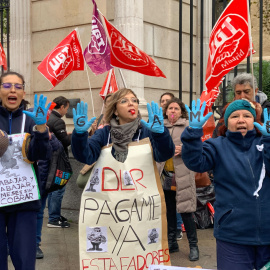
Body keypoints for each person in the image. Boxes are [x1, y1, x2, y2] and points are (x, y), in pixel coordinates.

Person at [181, 98, 270, 270]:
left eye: (247, 116)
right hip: (232, 235)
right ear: (226, 123)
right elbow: (195, 162)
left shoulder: (264, 143)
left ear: (255, 121)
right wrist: (192, 133)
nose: (241, 120)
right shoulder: (217, 145)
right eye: (234, 116)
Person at [0, 71, 52, 270]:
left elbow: (43, 154)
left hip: (23, 200)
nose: (12, 90)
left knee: (24, 259)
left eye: (18, 86)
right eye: (7, 86)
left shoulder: (31, 120)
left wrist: (40, 129)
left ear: (23, 93)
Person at [156, 98, 199, 260]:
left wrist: (186, 149)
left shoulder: (188, 127)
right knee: (169, 211)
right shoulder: (159, 127)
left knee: (186, 211)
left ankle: (194, 246)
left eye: (176, 108)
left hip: (182, 175)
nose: (173, 111)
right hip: (164, 175)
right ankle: (172, 243)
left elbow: (198, 146)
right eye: (170, 108)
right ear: (166, 111)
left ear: (181, 112)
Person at [213, 73, 270, 138]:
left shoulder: (267, 108)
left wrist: (260, 116)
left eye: (246, 92)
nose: (242, 96)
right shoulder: (229, 110)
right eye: (238, 93)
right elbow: (217, 134)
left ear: (255, 91)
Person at [36, 133, 62, 259]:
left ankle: (35, 245)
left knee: (39, 214)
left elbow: (58, 147)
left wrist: (49, 136)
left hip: (41, 182)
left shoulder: (45, 131)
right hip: (20, 184)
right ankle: (8, 244)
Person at [46, 96, 71, 228]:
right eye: (66, 108)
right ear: (62, 107)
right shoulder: (58, 121)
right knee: (58, 188)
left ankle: (53, 215)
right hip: (59, 160)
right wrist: (76, 134)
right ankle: (54, 218)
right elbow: (65, 141)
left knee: (53, 188)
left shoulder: (49, 118)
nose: (66, 111)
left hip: (50, 159)